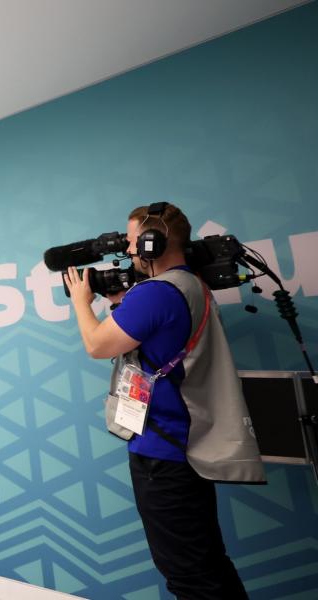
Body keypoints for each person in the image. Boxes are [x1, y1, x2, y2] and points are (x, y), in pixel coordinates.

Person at [64, 202, 264, 599]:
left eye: (133, 241)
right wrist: (122, 302)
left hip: (165, 456)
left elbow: (97, 344)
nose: (129, 250)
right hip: (185, 449)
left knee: (188, 576)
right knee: (207, 565)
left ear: (153, 244)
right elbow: (155, 342)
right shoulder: (189, 285)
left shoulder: (157, 292)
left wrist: (80, 303)